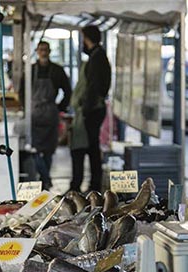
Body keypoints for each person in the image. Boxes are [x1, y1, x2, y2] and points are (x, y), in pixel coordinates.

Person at [23, 41, 71, 189]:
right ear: (37, 51)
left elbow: (68, 91)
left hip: (50, 113)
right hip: (35, 114)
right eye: (41, 49)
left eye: (46, 49)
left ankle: (45, 180)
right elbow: (22, 91)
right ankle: (45, 178)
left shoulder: (57, 70)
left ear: (49, 51)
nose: (43, 52)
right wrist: (26, 107)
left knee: (49, 150)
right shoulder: (30, 70)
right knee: (35, 149)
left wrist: (59, 107)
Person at [68, 24, 111, 193]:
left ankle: (86, 185)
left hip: (91, 110)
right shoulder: (98, 56)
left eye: (83, 39)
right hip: (93, 109)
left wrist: (85, 110)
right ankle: (91, 184)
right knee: (91, 147)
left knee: (84, 148)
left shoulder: (97, 58)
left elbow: (93, 86)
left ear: (86, 39)